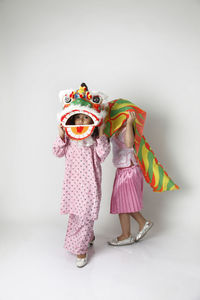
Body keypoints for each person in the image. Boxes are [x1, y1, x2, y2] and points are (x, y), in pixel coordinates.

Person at [53, 112, 110, 267]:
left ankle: (81, 249)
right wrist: (61, 133)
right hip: (73, 185)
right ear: (73, 120)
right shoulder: (70, 139)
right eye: (78, 117)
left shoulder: (94, 140)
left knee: (86, 214)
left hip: (90, 184)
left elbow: (103, 155)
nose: (82, 120)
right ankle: (88, 237)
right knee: (76, 215)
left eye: (86, 117)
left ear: (92, 120)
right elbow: (57, 152)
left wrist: (101, 132)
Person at [108, 111, 153, 246]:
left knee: (124, 202)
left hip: (129, 170)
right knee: (121, 203)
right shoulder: (114, 131)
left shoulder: (126, 129)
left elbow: (129, 144)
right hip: (122, 170)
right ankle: (129, 232)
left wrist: (129, 123)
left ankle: (136, 227)